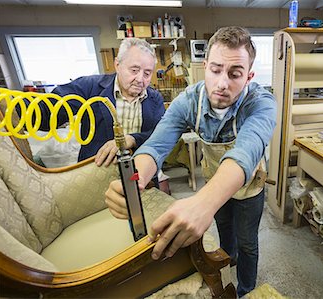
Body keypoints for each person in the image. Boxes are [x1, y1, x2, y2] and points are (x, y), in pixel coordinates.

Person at [105, 26, 277, 297]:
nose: (222, 83)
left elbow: (246, 151)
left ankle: (245, 289)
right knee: (225, 234)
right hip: (214, 181)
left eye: (234, 74)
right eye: (216, 70)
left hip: (248, 189)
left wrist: (203, 203)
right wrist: (132, 180)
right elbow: (157, 144)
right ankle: (227, 268)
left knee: (247, 244)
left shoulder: (262, 103)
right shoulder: (189, 101)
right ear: (205, 66)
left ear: (249, 76)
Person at [20, 37, 165, 168]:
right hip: (96, 173)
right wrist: (15, 109)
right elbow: (48, 111)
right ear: (117, 65)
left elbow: (160, 135)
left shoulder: (154, 99)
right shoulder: (89, 87)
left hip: (140, 173)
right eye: (134, 70)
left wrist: (133, 139)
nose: (140, 79)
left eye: (147, 73)